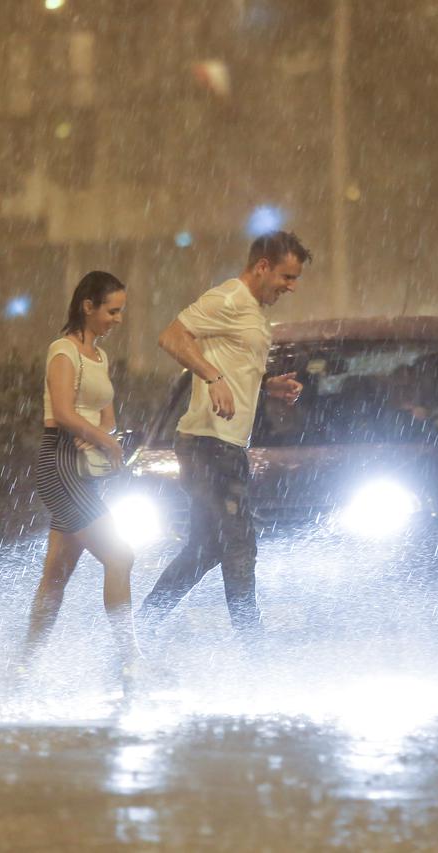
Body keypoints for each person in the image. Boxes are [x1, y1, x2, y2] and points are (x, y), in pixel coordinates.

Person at [138, 231, 311, 640]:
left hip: (226, 446)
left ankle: (139, 633)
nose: (291, 287)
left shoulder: (251, 312)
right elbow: (171, 337)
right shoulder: (229, 299)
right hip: (205, 444)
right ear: (262, 266)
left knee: (205, 549)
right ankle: (253, 654)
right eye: (286, 277)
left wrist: (267, 384)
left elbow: (233, 363)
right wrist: (211, 377)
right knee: (239, 545)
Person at [23, 271, 142, 684]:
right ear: (87, 306)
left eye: (121, 311)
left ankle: (22, 665)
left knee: (56, 577)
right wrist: (100, 440)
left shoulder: (99, 357)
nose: (118, 318)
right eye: (112, 310)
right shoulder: (64, 351)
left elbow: (105, 417)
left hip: (84, 469)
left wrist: (104, 438)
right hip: (59, 464)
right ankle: (131, 662)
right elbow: (62, 412)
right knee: (121, 555)